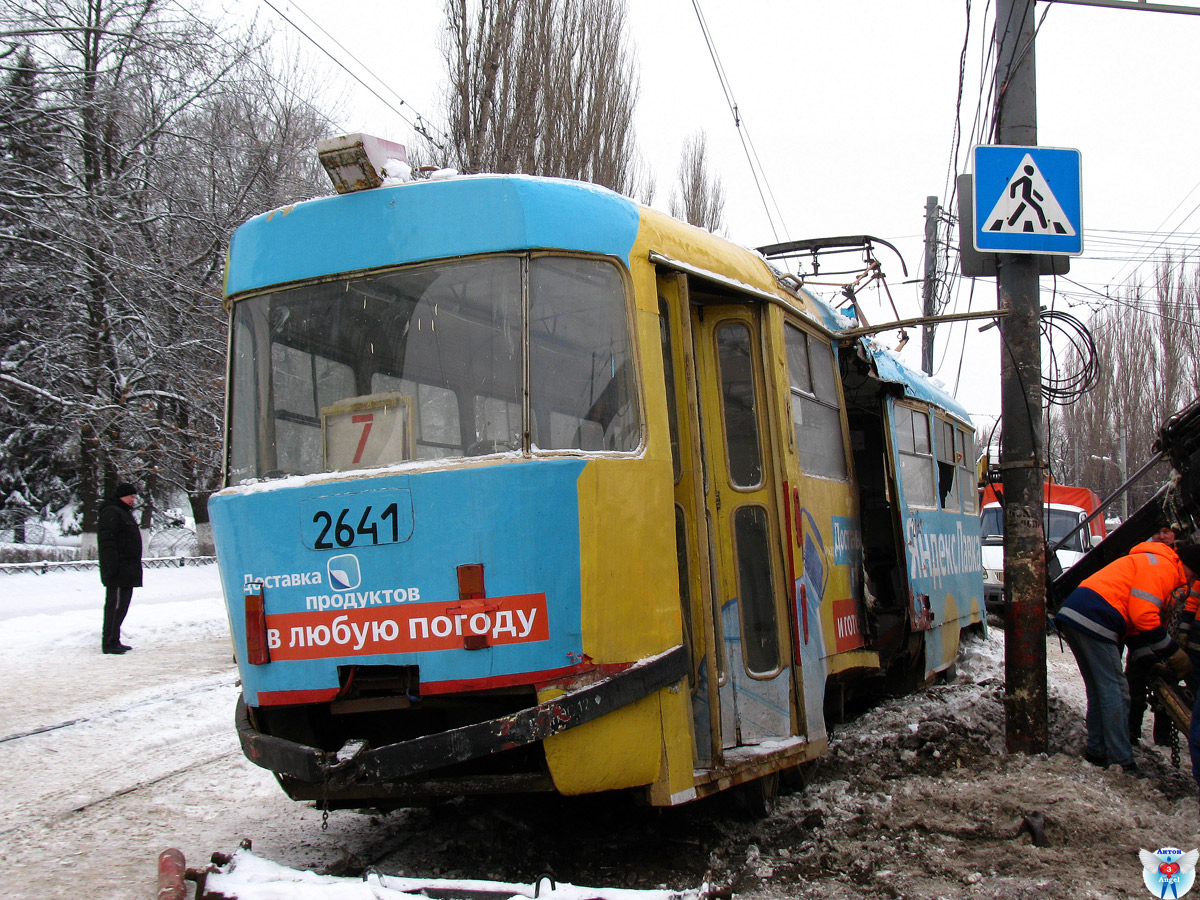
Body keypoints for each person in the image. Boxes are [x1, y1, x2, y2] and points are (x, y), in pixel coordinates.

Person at [1054, 539, 1200, 772]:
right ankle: (1121, 760)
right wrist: (1172, 652)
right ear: (1189, 565)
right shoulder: (1165, 569)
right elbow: (1143, 616)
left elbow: (1134, 626)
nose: (1192, 582)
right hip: (1096, 617)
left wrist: (1149, 661)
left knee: (1100, 690)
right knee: (1116, 691)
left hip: (1077, 613)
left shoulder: (1153, 562)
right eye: (1195, 576)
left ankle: (1097, 751)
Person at [1126, 521, 1186, 747]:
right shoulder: (1147, 558)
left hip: (1168, 631)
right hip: (1145, 629)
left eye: (1167, 531)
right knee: (1135, 681)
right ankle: (1131, 730)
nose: (1162, 536)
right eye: (1158, 532)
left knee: (1169, 681)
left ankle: (1163, 734)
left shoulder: (1183, 562)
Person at [98, 481, 143, 655]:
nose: (133, 500)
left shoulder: (123, 513)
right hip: (118, 569)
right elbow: (107, 542)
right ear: (122, 496)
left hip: (127, 569)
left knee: (122, 606)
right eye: (130, 496)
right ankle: (109, 642)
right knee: (115, 606)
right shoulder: (112, 512)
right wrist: (112, 566)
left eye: (134, 497)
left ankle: (115, 639)